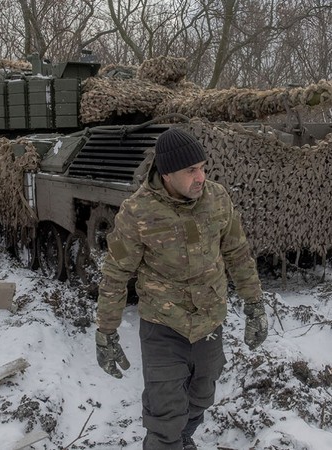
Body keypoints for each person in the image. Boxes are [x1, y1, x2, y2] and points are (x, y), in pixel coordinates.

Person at [94, 127, 268, 450]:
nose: (200, 177)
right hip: (163, 328)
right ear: (167, 173)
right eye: (191, 171)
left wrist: (254, 304)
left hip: (209, 322)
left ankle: (181, 438)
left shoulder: (217, 199)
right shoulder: (137, 212)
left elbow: (238, 253)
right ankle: (169, 440)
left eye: (202, 167)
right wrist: (106, 330)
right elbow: (116, 272)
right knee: (165, 418)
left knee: (201, 396)